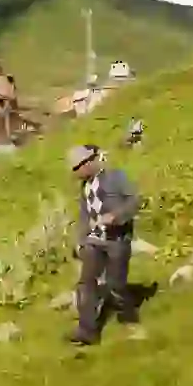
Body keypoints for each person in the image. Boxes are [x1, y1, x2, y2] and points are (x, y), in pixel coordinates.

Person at [66, 144, 146, 345]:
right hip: (95, 241)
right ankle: (87, 331)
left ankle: (127, 313)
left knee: (115, 285)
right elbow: (85, 216)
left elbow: (136, 200)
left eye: (78, 167)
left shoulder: (115, 177)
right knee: (86, 284)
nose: (76, 173)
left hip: (117, 239)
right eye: (74, 169)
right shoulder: (84, 186)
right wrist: (80, 241)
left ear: (89, 162)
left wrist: (115, 216)